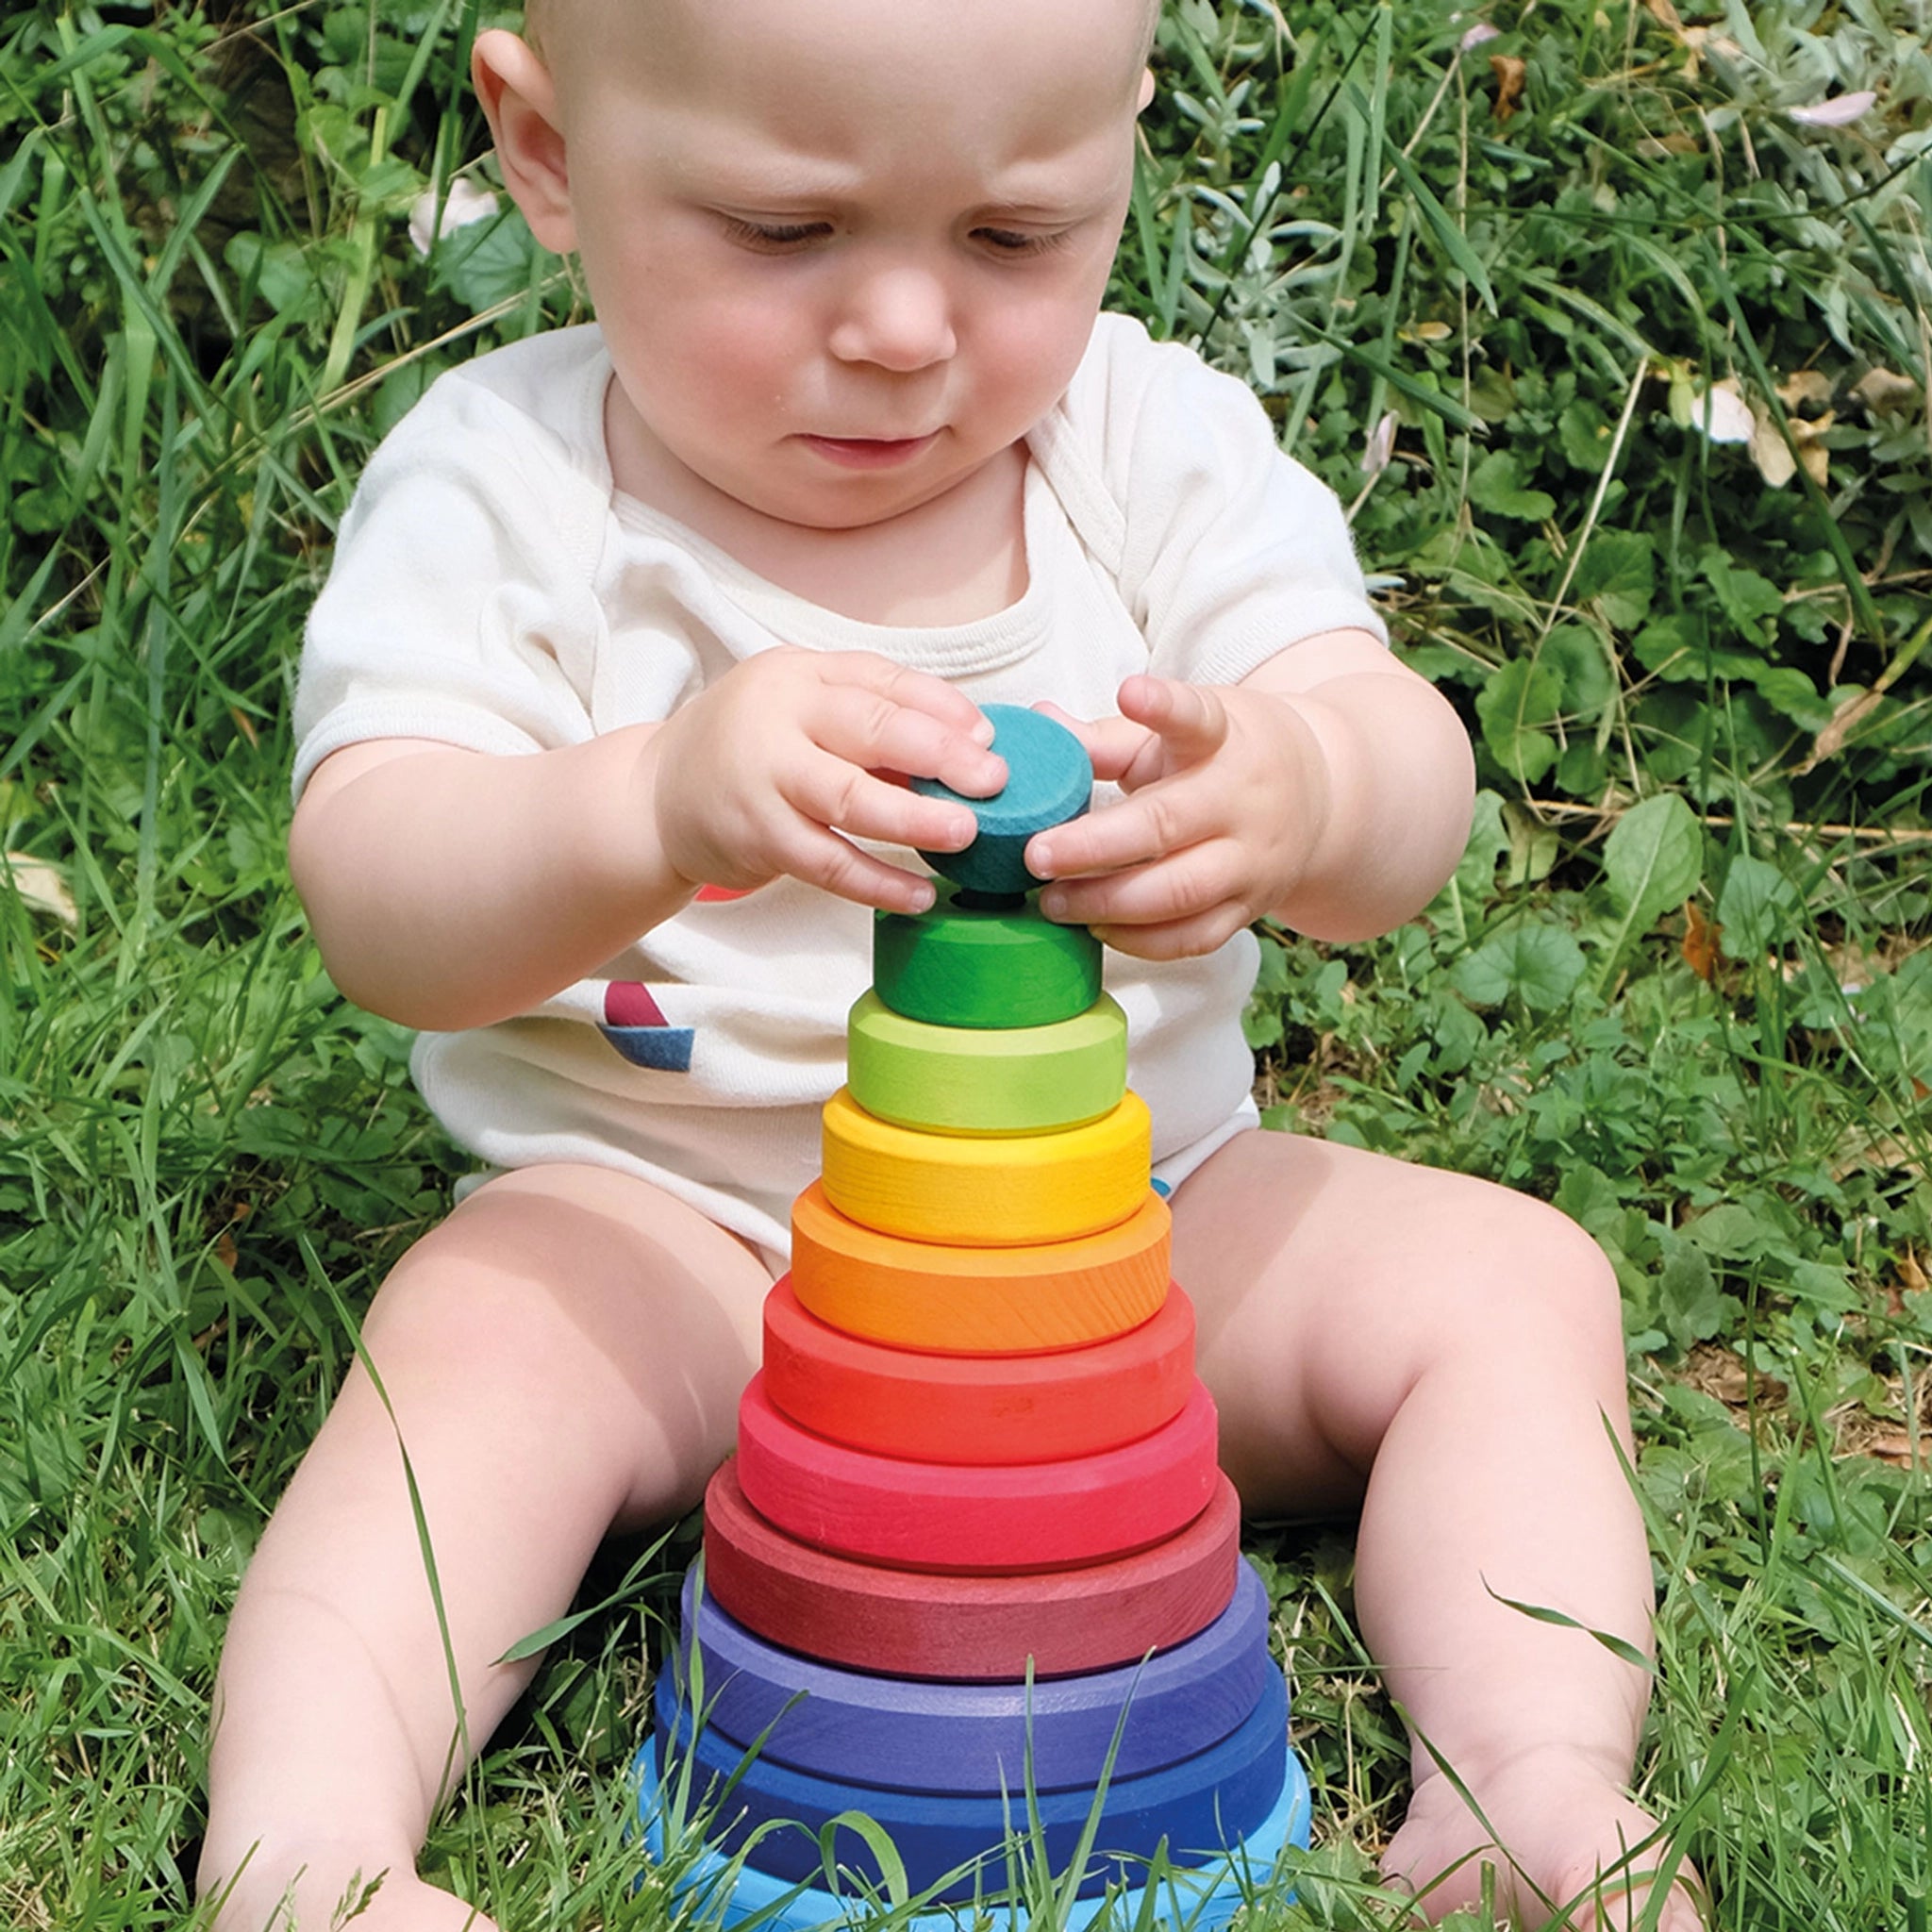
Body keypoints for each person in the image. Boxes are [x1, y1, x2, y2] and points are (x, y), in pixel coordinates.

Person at [195, 0, 1702, 1926]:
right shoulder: (509, 489)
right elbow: (383, 896)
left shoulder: (1141, 446)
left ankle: (1528, 1791)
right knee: (471, 1349)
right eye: (783, 230)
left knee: (1512, 1282)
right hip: (688, 1249)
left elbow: (1399, 780)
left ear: (1121, 155)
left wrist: (1303, 788)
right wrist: (648, 801)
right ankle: (306, 1845)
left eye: (1010, 236)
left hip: (1137, 1250)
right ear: (549, 150)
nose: (907, 329)